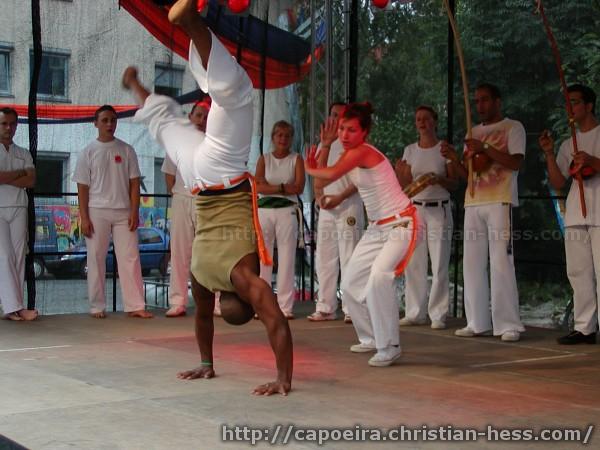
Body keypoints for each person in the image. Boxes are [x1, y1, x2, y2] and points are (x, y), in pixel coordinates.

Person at [122, 0, 292, 396]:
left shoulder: (245, 279)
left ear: (245, 301)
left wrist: (284, 378)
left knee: (237, 94)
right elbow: (202, 318)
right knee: (165, 124)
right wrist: (205, 363)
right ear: (224, 298)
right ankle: (136, 87)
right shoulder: (202, 276)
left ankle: (192, 23)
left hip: (221, 171)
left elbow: (277, 324)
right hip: (196, 176)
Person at [305, 102, 419, 367]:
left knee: (379, 277)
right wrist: (325, 146)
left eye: (352, 130)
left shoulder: (363, 152)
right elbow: (322, 181)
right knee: (350, 284)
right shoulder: (348, 153)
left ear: (364, 132)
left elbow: (327, 173)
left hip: (402, 222)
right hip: (378, 227)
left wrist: (309, 168)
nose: (345, 135)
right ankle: (370, 337)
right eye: (342, 129)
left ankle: (390, 345)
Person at [444, 83, 525, 342]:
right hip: (473, 201)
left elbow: (516, 162)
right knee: (471, 263)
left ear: (498, 101)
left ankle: (508, 324)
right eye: (477, 101)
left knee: (501, 261)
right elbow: (465, 173)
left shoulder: (513, 127)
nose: (480, 105)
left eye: (485, 100)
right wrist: (454, 157)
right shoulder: (473, 132)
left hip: (500, 200)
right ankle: (477, 322)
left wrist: (485, 148)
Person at [73, 105, 153, 319]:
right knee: (95, 258)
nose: (110, 124)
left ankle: (135, 305)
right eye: (105, 120)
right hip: (97, 210)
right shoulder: (87, 152)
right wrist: (84, 218)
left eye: (113, 120)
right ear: (96, 123)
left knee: (130, 257)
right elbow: (82, 188)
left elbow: (134, 184)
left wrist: (135, 211)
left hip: (124, 211)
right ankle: (97, 306)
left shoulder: (127, 150)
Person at [539, 84, 600, 345]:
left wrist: (593, 161)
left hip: (599, 211)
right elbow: (558, 182)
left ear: (589, 105)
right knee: (578, 271)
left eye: (574, 102)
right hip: (576, 213)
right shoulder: (568, 143)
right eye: (568, 103)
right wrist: (549, 153)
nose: (570, 108)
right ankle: (585, 327)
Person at [395, 106, 457, 330]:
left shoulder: (444, 149)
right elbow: (405, 185)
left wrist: (438, 180)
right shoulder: (410, 150)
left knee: (439, 261)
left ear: (435, 121)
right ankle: (415, 312)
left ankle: (438, 313)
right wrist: (399, 172)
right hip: (416, 208)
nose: (422, 122)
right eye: (418, 119)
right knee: (414, 261)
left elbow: (455, 183)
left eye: (426, 119)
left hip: (439, 208)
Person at [161, 97, 221, 318]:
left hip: (206, 200)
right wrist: (179, 193)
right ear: (190, 117)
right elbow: (169, 174)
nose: (201, 120)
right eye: (198, 115)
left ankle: (217, 301)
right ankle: (178, 301)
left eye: (206, 117)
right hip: (181, 198)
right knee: (179, 251)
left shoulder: (215, 144)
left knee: (211, 251)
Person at [308, 102, 364, 323]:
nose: (336, 119)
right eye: (333, 114)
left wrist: (339, 197)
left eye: (341, 116)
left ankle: (351, 308)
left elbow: (359, 180)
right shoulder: (325, 144)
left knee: (349, 256)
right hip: (327, 206)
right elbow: (318, 173)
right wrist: (319, 196)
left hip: (348, 204)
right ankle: (326, 306)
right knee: (325, 257)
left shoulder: (354, 143)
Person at [255, 120, 305, 319]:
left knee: (287, 258)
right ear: (273, 137)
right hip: (264, 211)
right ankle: (263, 305)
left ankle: (285, 307)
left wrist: (271, 186)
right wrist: (283, 187)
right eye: (279, 135)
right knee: (264, 258)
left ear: (291, 138)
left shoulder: (296, 159)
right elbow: (258, 187)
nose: (283, 139)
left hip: (287, 211)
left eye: (287, 136)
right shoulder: (264, 159)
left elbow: (299, 187)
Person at [0, 107, 38, 321]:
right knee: (4, 256)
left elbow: (30, 180)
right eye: (4, 123)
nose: (9, 128)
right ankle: (13, 307)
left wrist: (7, 177)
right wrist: (19, 173)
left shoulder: (23, 152)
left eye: (12, 124)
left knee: (18, 257)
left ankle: (16, 306)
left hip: (19, 207)